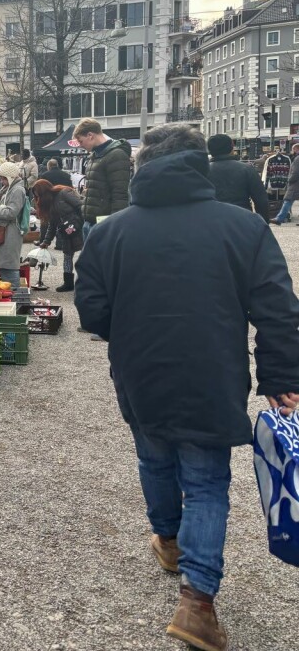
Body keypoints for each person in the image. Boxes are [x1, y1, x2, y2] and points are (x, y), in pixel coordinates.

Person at [75, 124, 299, 651]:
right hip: (212, 370)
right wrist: (281, 376)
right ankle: (197, 601)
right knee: (205, 481)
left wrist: (129, 329)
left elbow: (92, 311)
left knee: (154, 458)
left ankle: (170, 541)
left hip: (139, 369)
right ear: (199, 163)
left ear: (142, 165)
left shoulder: (110, 232)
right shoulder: (242, 227)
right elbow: (278, 311)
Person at [75, 119, 132, 239]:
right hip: (92, 222)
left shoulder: (116, 155)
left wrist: (114, 227)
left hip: (103, 224)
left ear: (90, 135)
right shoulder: (95, 156)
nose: (80, 145)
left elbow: (120, 194)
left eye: (81, 141)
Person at [32, 179, 83, 292]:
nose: (38, 198)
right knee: (67, 256)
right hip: (66, 232)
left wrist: (80, 223)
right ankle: (68, 283)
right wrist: (46, 241)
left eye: (39, 195)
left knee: (85, 255)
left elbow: (81, 206)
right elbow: (52, 224)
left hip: (79, 229)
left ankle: (86, 282)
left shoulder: (63, 193)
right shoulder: (49, 204)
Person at [206, 134, 269, 221]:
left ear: (209, 150)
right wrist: (263, 223)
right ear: (232, 147)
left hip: (212, 220)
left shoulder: (202, 171)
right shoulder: (246, 169)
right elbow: (261, 200)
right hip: (242, 219)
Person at [0, 161, 27, 286]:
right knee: (6, 266)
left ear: (10, 177)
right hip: (6, 231)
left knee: (9, 266)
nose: (2, 181)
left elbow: (11, 212)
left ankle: (15, 297)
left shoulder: (17, 190)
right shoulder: (9, 188)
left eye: (3, 178)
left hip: (11, 232)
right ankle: (12, 296)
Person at [270, 142, 299, 225]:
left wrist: (289, 180)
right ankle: (279, 218)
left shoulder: (297, 159)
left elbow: (296, 172)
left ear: (297, 149)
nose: (292, 151)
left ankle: (279, 219)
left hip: (295, 184)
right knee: (288, 200)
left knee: (287, 200)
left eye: (293, 149)